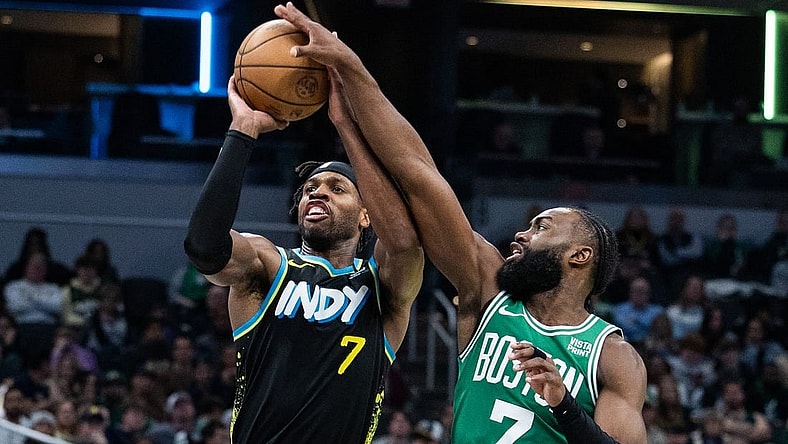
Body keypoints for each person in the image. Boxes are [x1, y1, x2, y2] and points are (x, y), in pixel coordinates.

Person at [275, 3, 648, 443]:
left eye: (542, 227)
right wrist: (353, 72)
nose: (521, 234)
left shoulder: (613, 356)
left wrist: (564, 405)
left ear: (580, 255)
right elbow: (420, 175)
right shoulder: (488, 291)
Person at [182, 45, 424, 443]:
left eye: (337, 188)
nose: (317, 193)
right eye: (310, 188)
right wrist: (243, 131)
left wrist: (346, 125)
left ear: (367, 215)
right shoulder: (268, 266)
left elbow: (404, 242)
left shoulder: (384, 287)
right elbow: (203, 247)